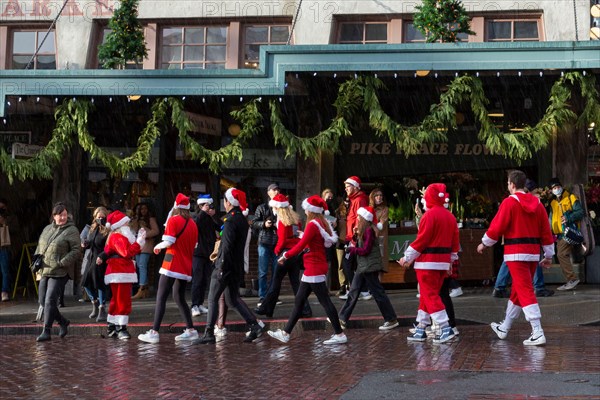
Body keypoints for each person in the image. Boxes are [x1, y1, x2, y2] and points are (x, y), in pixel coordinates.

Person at [478, 170, 554, 346]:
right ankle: (504, 327)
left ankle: (537, 331)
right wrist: (548, 255)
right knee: (518, 291)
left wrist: (484, 243)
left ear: (512, 184)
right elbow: (546, 231)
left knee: (525, 290)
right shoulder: (538, 204)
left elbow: (497, 227)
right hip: (533, 253)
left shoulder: (509, 203)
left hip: (514, 253)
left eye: (507, 183)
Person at [268, 195, 347, 345]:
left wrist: (285, 255)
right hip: (315, 265)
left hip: (313, 266)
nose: (304, 211)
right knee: (299, 300)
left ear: (311, 210)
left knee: (325, 302)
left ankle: (339, 333)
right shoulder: (321, 222)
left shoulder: (312, 224)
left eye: (305, 209)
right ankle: (285, 333)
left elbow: (301, 245)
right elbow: (316, 241)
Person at [199, 188, 265, 344]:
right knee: (232, 299)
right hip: (236, 266)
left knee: (212, 298)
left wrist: (221, 267)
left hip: (225, 266)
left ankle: (209, 332)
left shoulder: (230, 221)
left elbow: (227, 246)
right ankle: (254, 325)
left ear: (227, 202)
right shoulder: (241, 219)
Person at [398, 183, 459, 344]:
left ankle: (445, 327)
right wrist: (451, 261)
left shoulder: (429, 216)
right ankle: (421, 328)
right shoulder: (450, 216)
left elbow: (421, 241)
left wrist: (406, 257)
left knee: (430, 295)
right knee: (427, 296)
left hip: (427, 264)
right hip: (442, 263)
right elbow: (455, 243)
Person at [138, 194, 199, 344]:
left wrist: (158, 246)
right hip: (186, 264)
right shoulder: (193, 223)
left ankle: (154, 332)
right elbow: (195, 245)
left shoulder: (174, 220)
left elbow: (168, 240)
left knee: (161, 297)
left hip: (172, 263)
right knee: (179, 297)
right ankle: (191, 329)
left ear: (176, 206)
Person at [339, 206, 399, 331]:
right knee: (354, 291)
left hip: (369, 266)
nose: (358, 219)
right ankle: (342, 318)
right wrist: (356, 236)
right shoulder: (366, 230)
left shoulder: (369, 231)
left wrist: (352, 250)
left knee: (377, 293)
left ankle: (391, 318)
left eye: (360, 217)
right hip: (364, 266)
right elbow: (362, 246)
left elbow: (365, 250)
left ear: (364, 218)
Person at [255, 193, 312, 318]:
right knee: (296, 284)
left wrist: (276, 251)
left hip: (285, 254)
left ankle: (266, 308)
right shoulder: (296, 219)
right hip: (295, 254)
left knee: (275, 282)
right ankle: (305, 309)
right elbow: (297, 237)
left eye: (274, 207)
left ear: (277, 207)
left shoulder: (282, 220)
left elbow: (282, 240)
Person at [34, 202, 81, 342]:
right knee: (42, 300)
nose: (62, 217)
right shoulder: (47, 229)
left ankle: (46, 331)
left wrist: (62, 262)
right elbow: (40, 246)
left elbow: (76, 250)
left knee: (50, 300)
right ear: (54, 216)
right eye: (60, 215)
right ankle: (63, 322)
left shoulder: (72, 230)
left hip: (60, 271)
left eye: (65, 215)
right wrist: (37, 261)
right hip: (45, 269)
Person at [101, 210, 145, 340]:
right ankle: (121, 327)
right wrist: (140, 242)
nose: (128, 223)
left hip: (119, 271)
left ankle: (112, 326)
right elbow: (127, 252)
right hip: (121, 271)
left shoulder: (115, 237)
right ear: (120, 224)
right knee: (123, 300)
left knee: (117, 299)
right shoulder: (118, 237)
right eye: (126, 221)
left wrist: (138, 241)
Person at [548, 178, 584, 291]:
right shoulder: (552, 202)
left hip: (568, 232)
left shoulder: (570, 197)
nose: (556, 189)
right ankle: (571, 279)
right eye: (554, 188)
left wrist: (568, 217)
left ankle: (572, 279)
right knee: (562, 255)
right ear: (551, 190)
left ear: (561, 187)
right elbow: (551, 218)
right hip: (558, 234)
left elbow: (580, 212)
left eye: (558, 187)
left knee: (562, 255)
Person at [342, 176, 371, 301]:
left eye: (348, 186)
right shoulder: (355, 200)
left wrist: (354, 238)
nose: (346, 189)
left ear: (355, 187)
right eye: (346, 187)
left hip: (355, 237)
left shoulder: (359, 200)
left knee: (347, 264)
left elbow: (360, 220)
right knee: (354, 265)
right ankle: (363, 290)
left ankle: (358, 291)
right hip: (352, 236)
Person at [191, 194, 219, 317]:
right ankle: (194, 305)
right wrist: (203, 212)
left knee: (204, 280)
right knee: (197, 280)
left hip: (208, 253)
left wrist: (212, 216)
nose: (208, 208)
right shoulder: (197, 216)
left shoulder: (209, 218)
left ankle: (200, 303)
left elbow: (219, 227)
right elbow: (196, 223)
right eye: (205, 205)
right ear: (201, 205)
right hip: (198, 253)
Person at [251, 183, 280, 303]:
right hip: (264, 241)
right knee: (263, 271)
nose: (276, 192)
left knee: (275, 271)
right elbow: (254, 223)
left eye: (277, 189)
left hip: (277, 243)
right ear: (268, 192)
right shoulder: (262, 207)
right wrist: (264, 224)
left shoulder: (282, 207)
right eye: (274, 190)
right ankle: (262, 296)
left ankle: (272, 296)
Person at [80, 207, 110, 322]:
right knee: (85, 282)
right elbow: (89, 242)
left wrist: (102, 256)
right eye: (99, 217)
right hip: (91, 257)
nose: (100, 219)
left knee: (99, 282)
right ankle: (95, 302)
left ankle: (102, 308)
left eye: (103, 217)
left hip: (101, 258)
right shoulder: (91, 228)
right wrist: (85, 243)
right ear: (95, 217)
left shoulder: (107, 230)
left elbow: (109, 246)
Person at [130, 203, 160, 300]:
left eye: (144, 208)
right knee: (139, 266)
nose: (142, 211)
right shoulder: (134, 219)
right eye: (140, 209)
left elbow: (156, 231)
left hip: (146, 245)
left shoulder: (150, 219)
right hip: (137, 245)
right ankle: (144, 289)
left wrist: (144, 235)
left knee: (142, 265)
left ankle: (142, 288)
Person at [369, 188, 389, 279]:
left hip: (380, 237)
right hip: (369, 237)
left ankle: (378, 285)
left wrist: (376, 225)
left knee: (380, 262)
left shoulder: (384, 209)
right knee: (370, 262)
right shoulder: (368, 208)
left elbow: (382, 221)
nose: (379, 197)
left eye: (380, 195)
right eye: (376, 195)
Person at [335, 197, 349, 297]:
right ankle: (342, 286)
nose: (347, 203)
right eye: (346, 201)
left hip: (351, 240)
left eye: (349, 201)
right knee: (340, 265)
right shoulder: (338, 212)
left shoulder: (354, 210)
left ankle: (350, 285)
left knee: (350, 264)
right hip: (340, 241)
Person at [0, 198, 12, 302]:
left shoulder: (8, 217)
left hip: (3, 247)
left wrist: (4, 221)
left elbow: (14, 228)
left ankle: (4, 292)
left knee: (5, 271)